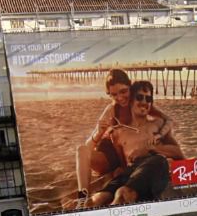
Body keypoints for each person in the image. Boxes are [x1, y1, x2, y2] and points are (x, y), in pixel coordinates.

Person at [74, 69, 174, 208]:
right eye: (114, 94)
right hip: (109, 155)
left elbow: (168, 120)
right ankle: (82, 196)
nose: (120, 97)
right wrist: (98, 133)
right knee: (81, 150)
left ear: (130, 88)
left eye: (123, 91)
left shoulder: (140, 103)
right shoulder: (111, 110)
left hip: (127, 159)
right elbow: (88, 148)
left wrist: (159, 135)